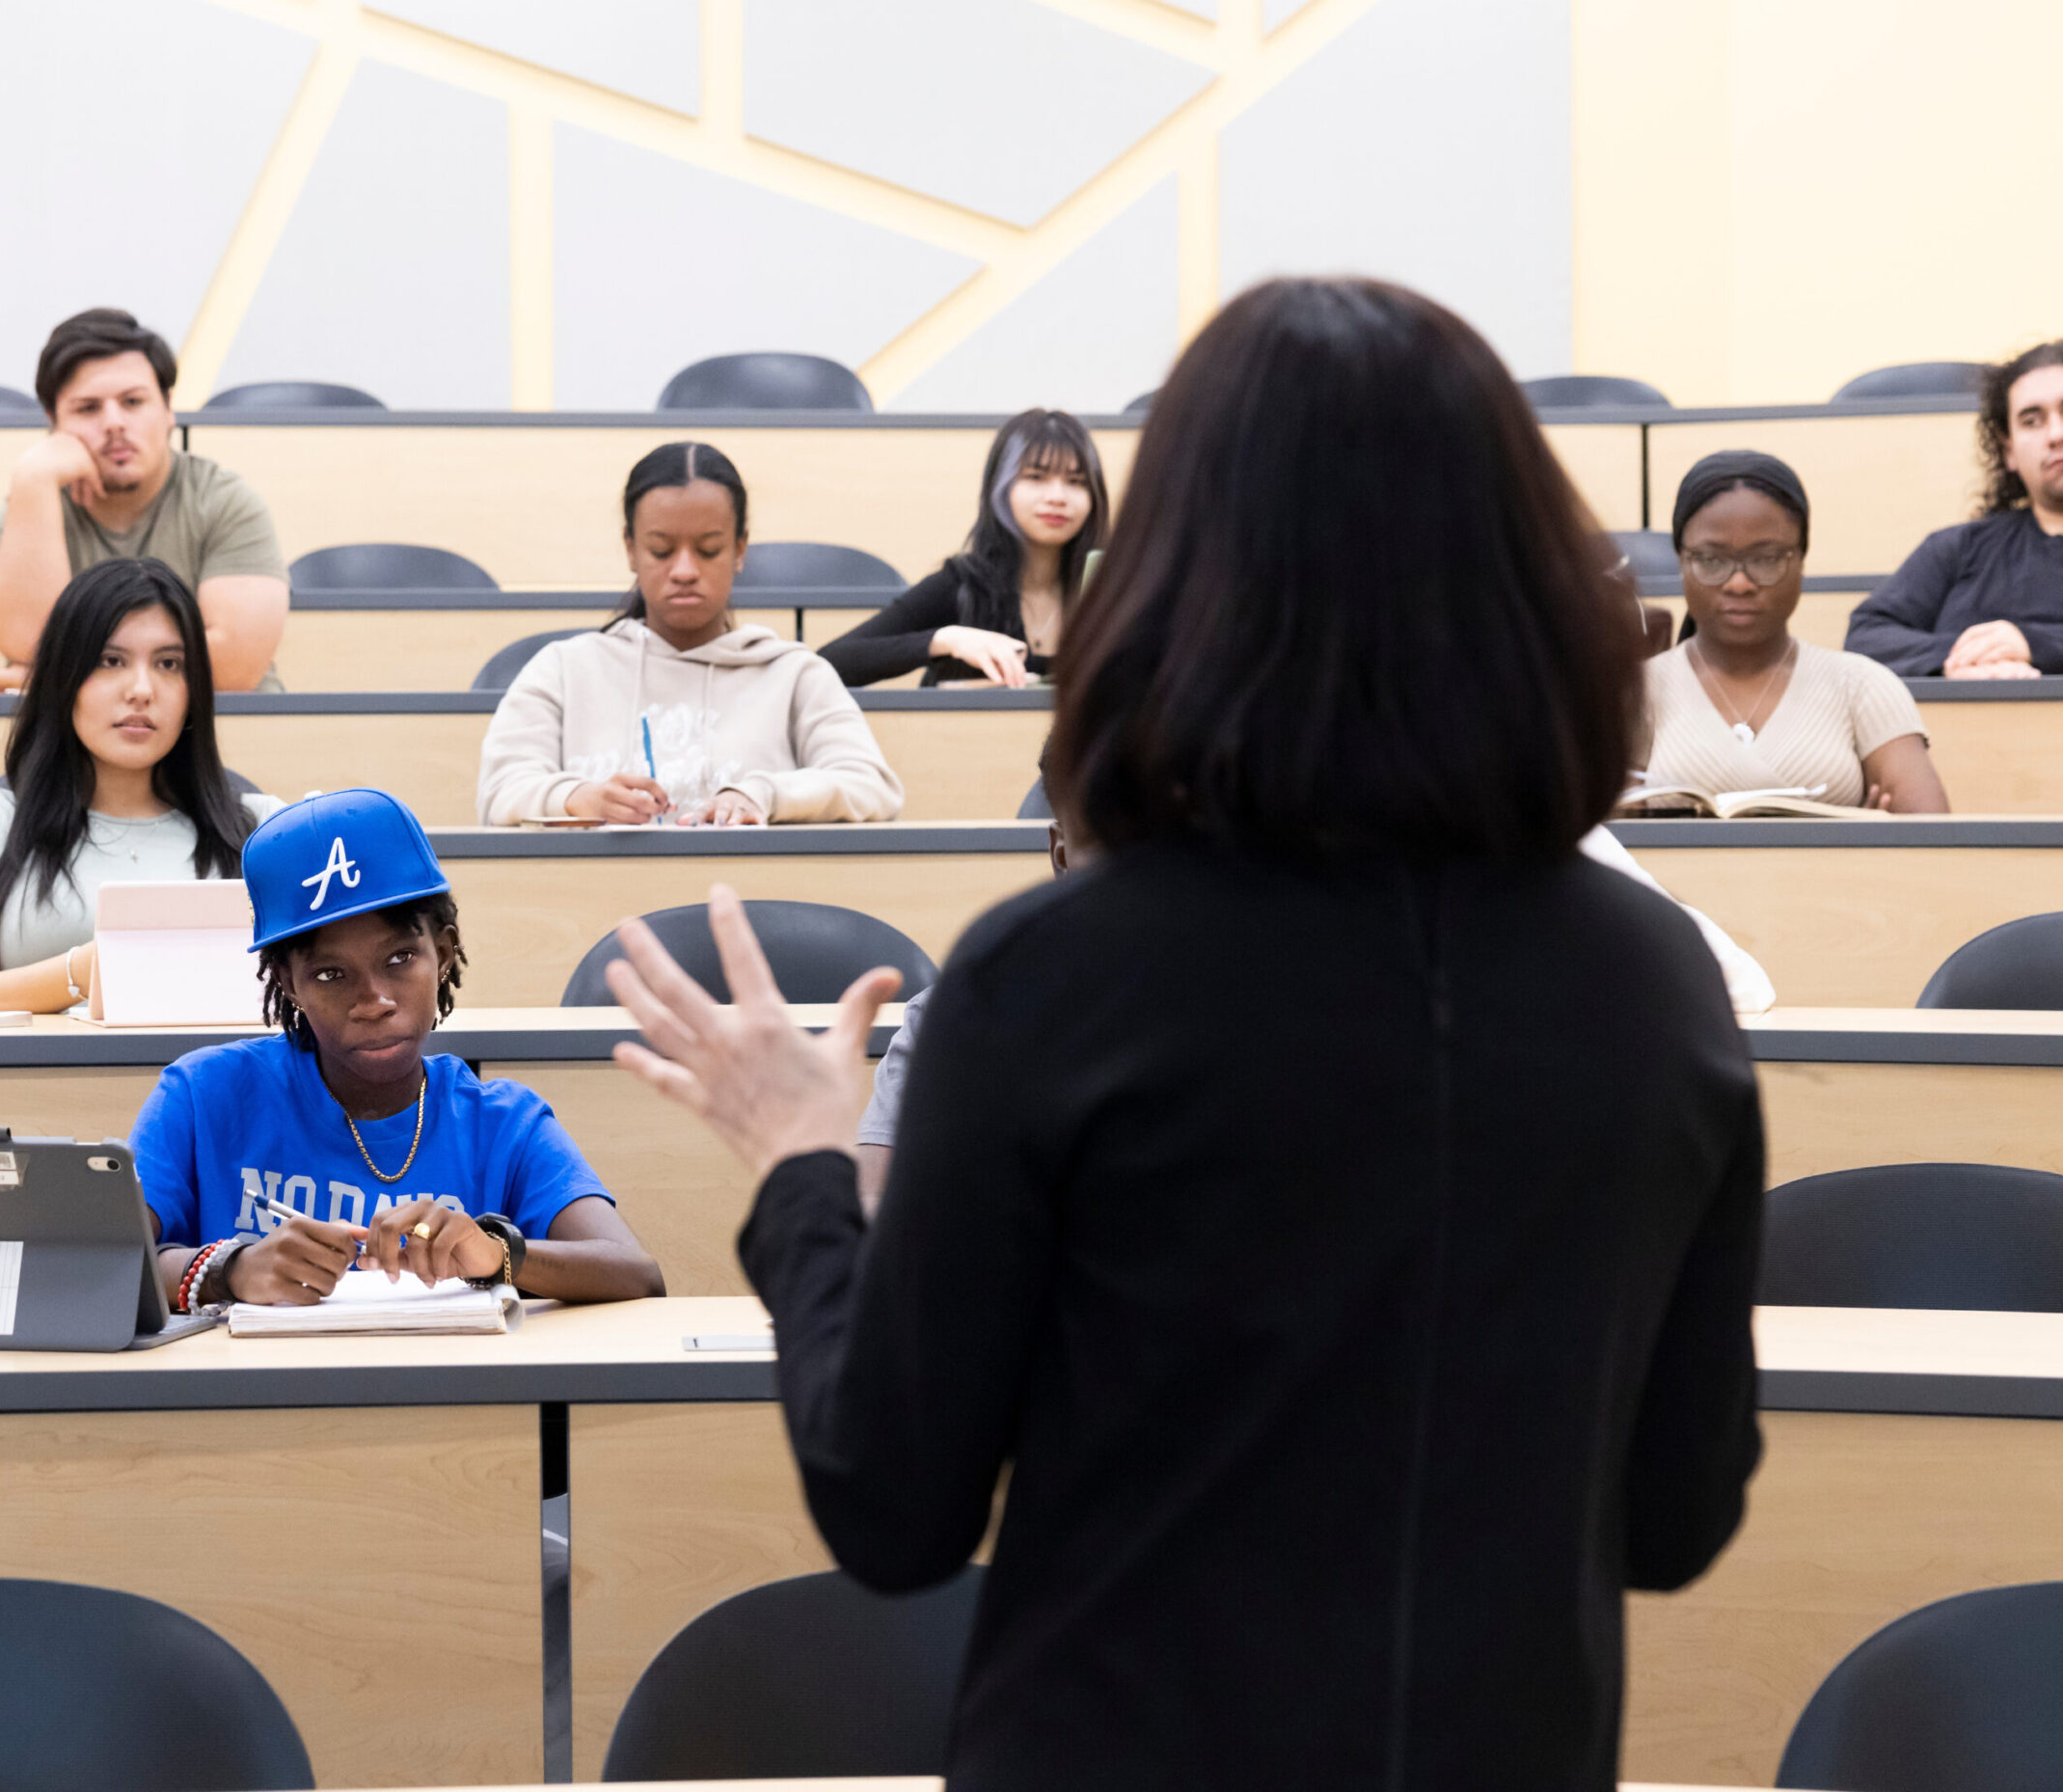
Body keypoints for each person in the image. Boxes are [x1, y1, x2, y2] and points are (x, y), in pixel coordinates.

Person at [604, 277, 1761, 1789]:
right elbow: (1676, 1520)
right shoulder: (1651, 977)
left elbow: (893, 1507)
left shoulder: (1050, 976)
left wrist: (806, 1171)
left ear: (1180, 576)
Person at [130, 788, 664, 1309]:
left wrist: (496, 1254)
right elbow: (99, 1265)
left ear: (445, 952)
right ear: (288, 983)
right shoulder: (203, 1094)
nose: (375, 1000)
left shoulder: (503, 1122)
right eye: (331, 973)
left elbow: (636, 1274)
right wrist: (231, 1270)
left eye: (401, 958)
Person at [0, 557, 282, 1013]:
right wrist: (92, 968)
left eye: (169, 663)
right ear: (63, 679)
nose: (142, 689)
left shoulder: (265, 828)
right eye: (112, 661)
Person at [475, 443, 903, 826]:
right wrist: (577, 797)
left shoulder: (795, 674)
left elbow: (872, 786)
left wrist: (764, 794)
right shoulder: (564, 669)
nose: (684, 571)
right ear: (630, 548)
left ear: (739, 549)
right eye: (661, 550)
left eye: (708, 549)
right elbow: (498, 792)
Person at [0, 306, 289, 694]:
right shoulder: (25, 510)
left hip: (223, 731)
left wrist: (59, 677)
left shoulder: (227, 503)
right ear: (54, 423)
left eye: (133, 402)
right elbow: (26, 640)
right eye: (88, 408)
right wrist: (33, 478)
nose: (114, 423)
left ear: (168, 409)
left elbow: (235, 666)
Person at [1848, 340, 2063, 677]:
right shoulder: (1957, 549)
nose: (2056, 434)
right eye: (2032, 420)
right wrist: (1966, 656)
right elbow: (1866, 637)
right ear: (2009, 451)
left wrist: (2033, 645)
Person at [1638, 450, 1946, 811]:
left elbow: (1931, 840)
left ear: (1801, 559)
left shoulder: (1861, 685)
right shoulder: (1637, 691)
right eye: (1711, 560)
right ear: (1681, 561)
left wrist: (1869, 843)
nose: (1739, 583)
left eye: (1766, 559)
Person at [818, 409, 1107, 687]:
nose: (1058, 496)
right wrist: (946, 640)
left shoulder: (1110, 589)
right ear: (1000, 487)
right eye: (1035, 477)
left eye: (1076, 481)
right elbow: (829, 662)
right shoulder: (961, 584)